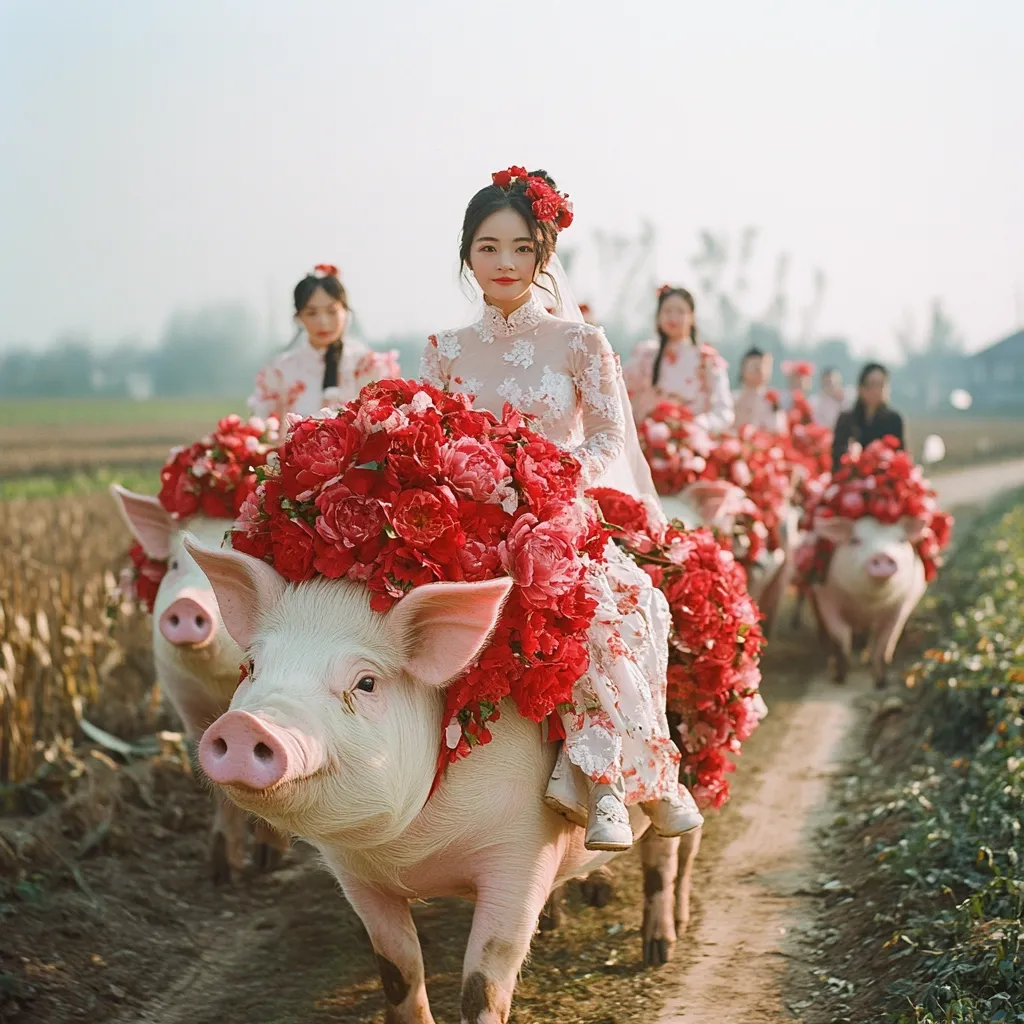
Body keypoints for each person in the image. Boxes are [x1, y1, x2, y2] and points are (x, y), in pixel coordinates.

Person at [420, 165, 703, 852]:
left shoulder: (580, 342)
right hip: (468, 522)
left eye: (521, 248)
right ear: (467, 254)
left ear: (544, 254)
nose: (505, 263)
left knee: (603, 605)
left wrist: (555, 477)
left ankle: (610, 780)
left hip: (556, 514)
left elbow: (609, 435)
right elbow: (430, 441)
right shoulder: (444, 351)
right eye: (488, 248)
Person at [248, 264, 400, 422]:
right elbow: (264, 428)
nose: (323, 321)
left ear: (346, 311)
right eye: (312, 313)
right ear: (298, 317)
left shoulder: (371, 366)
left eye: (332, 311)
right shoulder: (280, 370)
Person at [623, 286, 734, 432]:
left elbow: (724, 412)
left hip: (693, 442)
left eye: (680, 311)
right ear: (658, 316)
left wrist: (697, 427)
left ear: (692, 317)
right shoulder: (645, 355)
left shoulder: (707, 359)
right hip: (648, 441)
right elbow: (618, 389)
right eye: (667, 311)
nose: (673, 317)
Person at [831, 362, 905, 467]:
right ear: (861, 387)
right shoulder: (847, 418)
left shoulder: (894, 419)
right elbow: (836, 454)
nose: (876, 390)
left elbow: (900, 455)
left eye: (881, 385)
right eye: (872, 384)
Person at [733, 346, 786, 433]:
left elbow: (779, 429)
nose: (761, 370)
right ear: (743, 369)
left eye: (765, 366)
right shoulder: (733, 399)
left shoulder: (772, 399)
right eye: (756, 367)